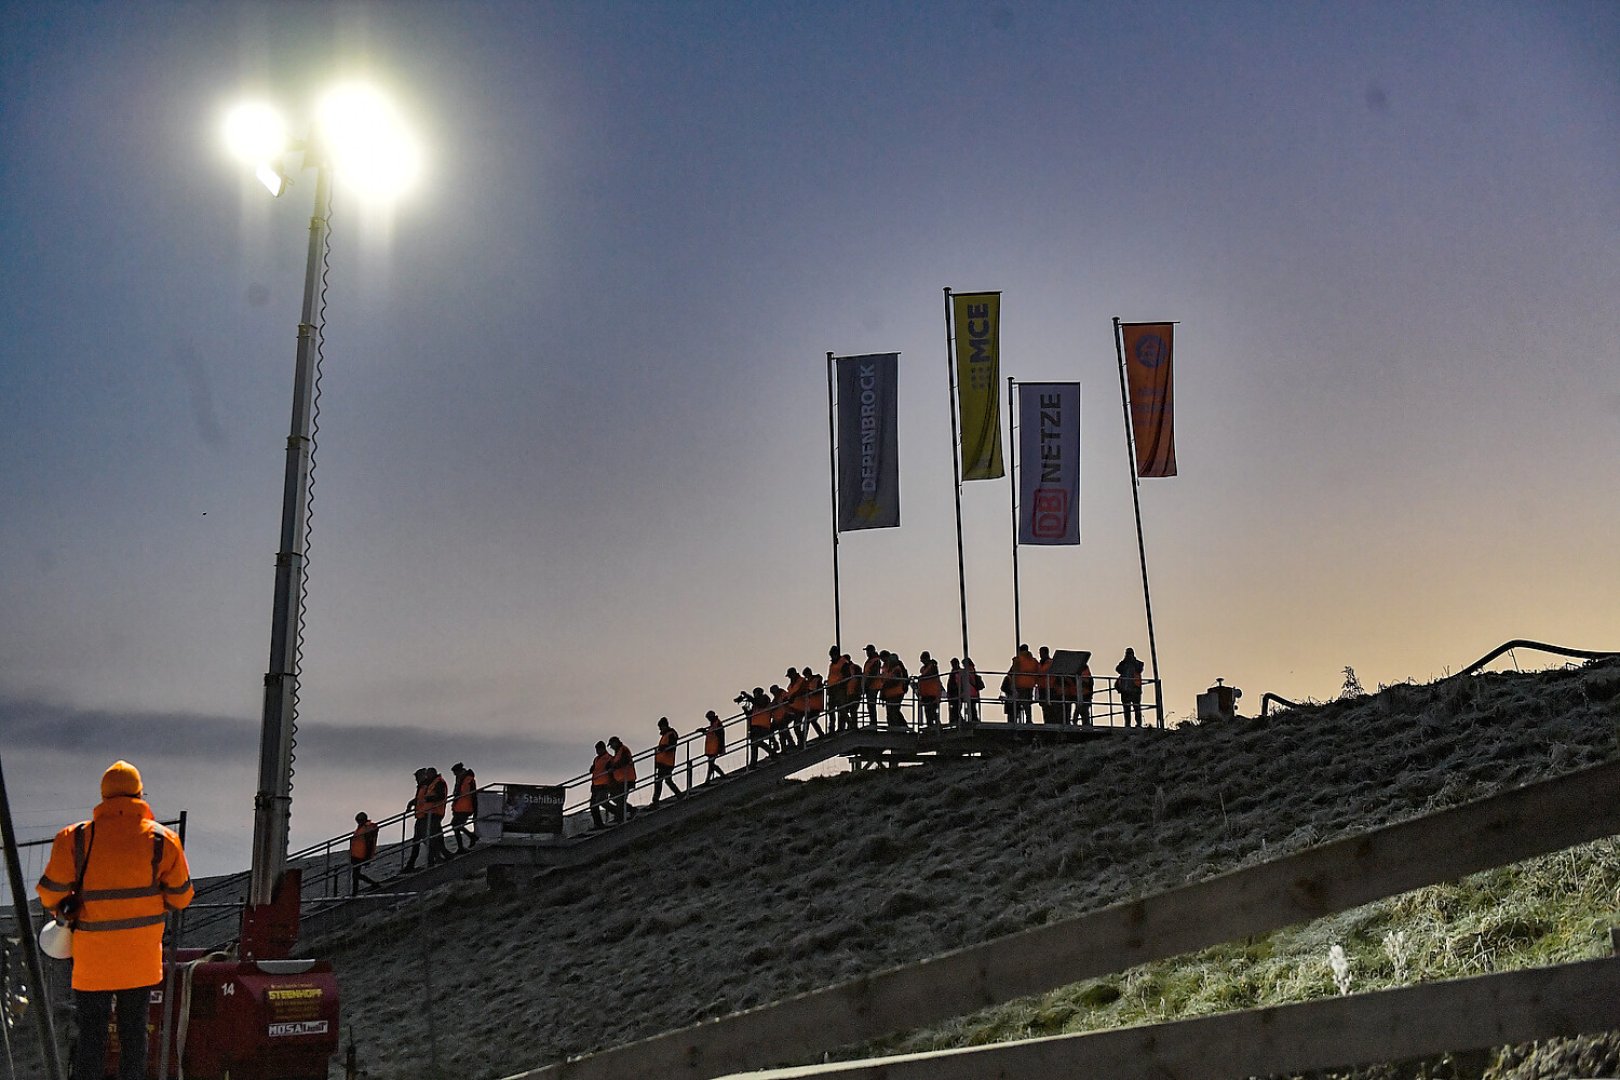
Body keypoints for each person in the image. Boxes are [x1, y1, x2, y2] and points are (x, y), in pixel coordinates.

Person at [36, 760, 192, 1080]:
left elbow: (49, 894)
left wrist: (65, 908)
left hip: (92, 961)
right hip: (140, 960)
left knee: (91, 1036)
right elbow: (181, 897)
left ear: (103, 796)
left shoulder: (74, 839)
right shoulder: (163, 841)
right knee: (134, 1035)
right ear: (140, 794)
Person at [403, 767, 452, 871]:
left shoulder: (433, 784)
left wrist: (426, 799)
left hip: (431, 814)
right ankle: (437, 857)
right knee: (430, 838)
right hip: (424, 815)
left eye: (417, 777)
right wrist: (411, 804)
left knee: (429, 839)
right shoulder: (427, 785)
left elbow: (438, 796)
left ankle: (437, 858)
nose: (417, 779)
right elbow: (419, 799)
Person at [651, 717, 683, 805]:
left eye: (661, 727)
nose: (660, 729)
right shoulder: (666, 735)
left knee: (659, 781)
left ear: (665, 725)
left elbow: (672, 746)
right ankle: (679, 795)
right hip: (664, 762)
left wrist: (663, 748)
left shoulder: (670, 734)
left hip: (666, 763)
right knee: (667, 780)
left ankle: (655, 800)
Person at [349, 812, 382, 895]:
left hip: (361, 855)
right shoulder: (362, 828)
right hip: (356, 855)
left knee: (355, 875)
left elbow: (369, 844)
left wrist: (367, 857)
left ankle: (355, 893)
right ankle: (373, 884)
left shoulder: (367, 829)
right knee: (356, 874)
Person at [450, 762, 478, 852]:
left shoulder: (468, 779)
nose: (455, 775)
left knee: (456, 825)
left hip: (466, 807)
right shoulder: (460, 780)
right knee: (455, 825)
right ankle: (468, 839)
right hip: (459, 807)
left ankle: (470, 838)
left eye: (455, 773)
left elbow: (472, 794)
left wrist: (475, 808)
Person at [607, 736, 637, 821]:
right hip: (620, 780)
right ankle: (629, 811)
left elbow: (624, 761)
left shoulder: (623, 750)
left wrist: (614, 767)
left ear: (615, 743)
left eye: (611, 745)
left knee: (620, 799)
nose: (611, 747)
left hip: (627, 778)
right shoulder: (618, 752)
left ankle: (621, 817)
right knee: (615, 797)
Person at [1010, 644, 1040, 723]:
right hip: (1030, 684)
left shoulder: (1018, 659)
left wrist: (1013, 684)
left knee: (1022, 702)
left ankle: (1024, 719)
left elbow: (1014, 672)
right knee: (1028, 702)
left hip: (1020, 683)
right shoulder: (1034, 661)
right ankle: (1029, 719)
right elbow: (1038, 672)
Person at [747, 687, 777, 766]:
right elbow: (752, 713)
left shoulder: (764, 699)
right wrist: (746, 710)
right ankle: (753, 763)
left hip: (762, 725)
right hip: (755, 726)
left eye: (755, 693)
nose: (755, 695)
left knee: (757, 742)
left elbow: (761, 704)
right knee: (754, 745)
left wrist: (748, 697)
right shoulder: (755, 703)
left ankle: (772, 752)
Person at [1116, 647, 1146, 727]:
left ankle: (1138, 724)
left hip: (1135, 689)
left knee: (1136, 708)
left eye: (1130, 653)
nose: (1129, 655)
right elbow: (1118, 669)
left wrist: (1132, 661)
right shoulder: (1123, 664)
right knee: (1127, 709)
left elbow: (1140, 669)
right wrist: (1124, 662)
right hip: (1125, 690)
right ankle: (1127, 724)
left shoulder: (1138, 664)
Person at [589, 741, 614, 829]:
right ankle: (598, 823)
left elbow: (611, 771)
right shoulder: (596, 759)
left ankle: (618, 812)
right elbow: (594, 772)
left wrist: (611, 784)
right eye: (596, 750)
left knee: (601, 801)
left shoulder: (609, 758)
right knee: (593, 806)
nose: (597, 751)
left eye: (598, 749)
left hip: (604, 784)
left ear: (603, 749)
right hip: (596, 785)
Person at [798, 664, 826, 743]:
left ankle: (805, 739)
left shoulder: (815, 680)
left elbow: (814, 690)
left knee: (810, 720)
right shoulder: (810, 681)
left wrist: (807, 692)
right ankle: (805, 738)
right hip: (811, 706)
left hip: (816, 704)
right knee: (809, 721)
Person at [881, 652, 909, 729]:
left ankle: (897, 727)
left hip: (896, 693)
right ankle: (898, 726)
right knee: (892, 712)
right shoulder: (889, 669)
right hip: (890, 694)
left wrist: (886, 685)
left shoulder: (896, 669)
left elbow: (895, 681)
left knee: (893, 711)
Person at [698, 710, 726, 782]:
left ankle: (721, 775)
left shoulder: (717, 723)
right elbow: (711, 734)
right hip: (711, 748)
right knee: (711, 764)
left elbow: (720, 735)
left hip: (714, 747)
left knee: (711, 764)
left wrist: (720, 747)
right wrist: (703, 731)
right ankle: (708, 780)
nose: (708, 719)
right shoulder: (713, 724)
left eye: (709, 718)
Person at [916, 652, 942, 727]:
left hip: (932, 692)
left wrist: (920, 677)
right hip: (926, 693)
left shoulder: (933, 667)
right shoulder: (925, 668)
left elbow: (930, 675)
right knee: (928, 711)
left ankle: (936, 725)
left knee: (932, 710)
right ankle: (930, 725)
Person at [861, 644, 883, 727]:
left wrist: (866, 685)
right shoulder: (870, 660)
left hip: (874, 686)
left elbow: (873, 674)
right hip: (870, 686)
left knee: (871, 704)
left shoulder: (875, 660)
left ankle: (873, 723)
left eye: (868, 651)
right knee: (870, 705)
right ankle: (872, 722)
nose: (867, 653)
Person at [961, 657, 984, 723]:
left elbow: (971, 680)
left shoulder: (969, 670)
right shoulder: (972, 669)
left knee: (971, 706)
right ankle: (974, 718)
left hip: (970, 691)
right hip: (973, 691)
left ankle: (973, 719)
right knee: (972, 706)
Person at [945, 658, 964, 724]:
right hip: (953, 693)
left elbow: (961, 683)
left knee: (956, 708)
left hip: (957, 692)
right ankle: (954, 720)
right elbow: (950, 683)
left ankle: (958, 720)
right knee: (953, 708)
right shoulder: (953, 672)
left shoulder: (959, 672)